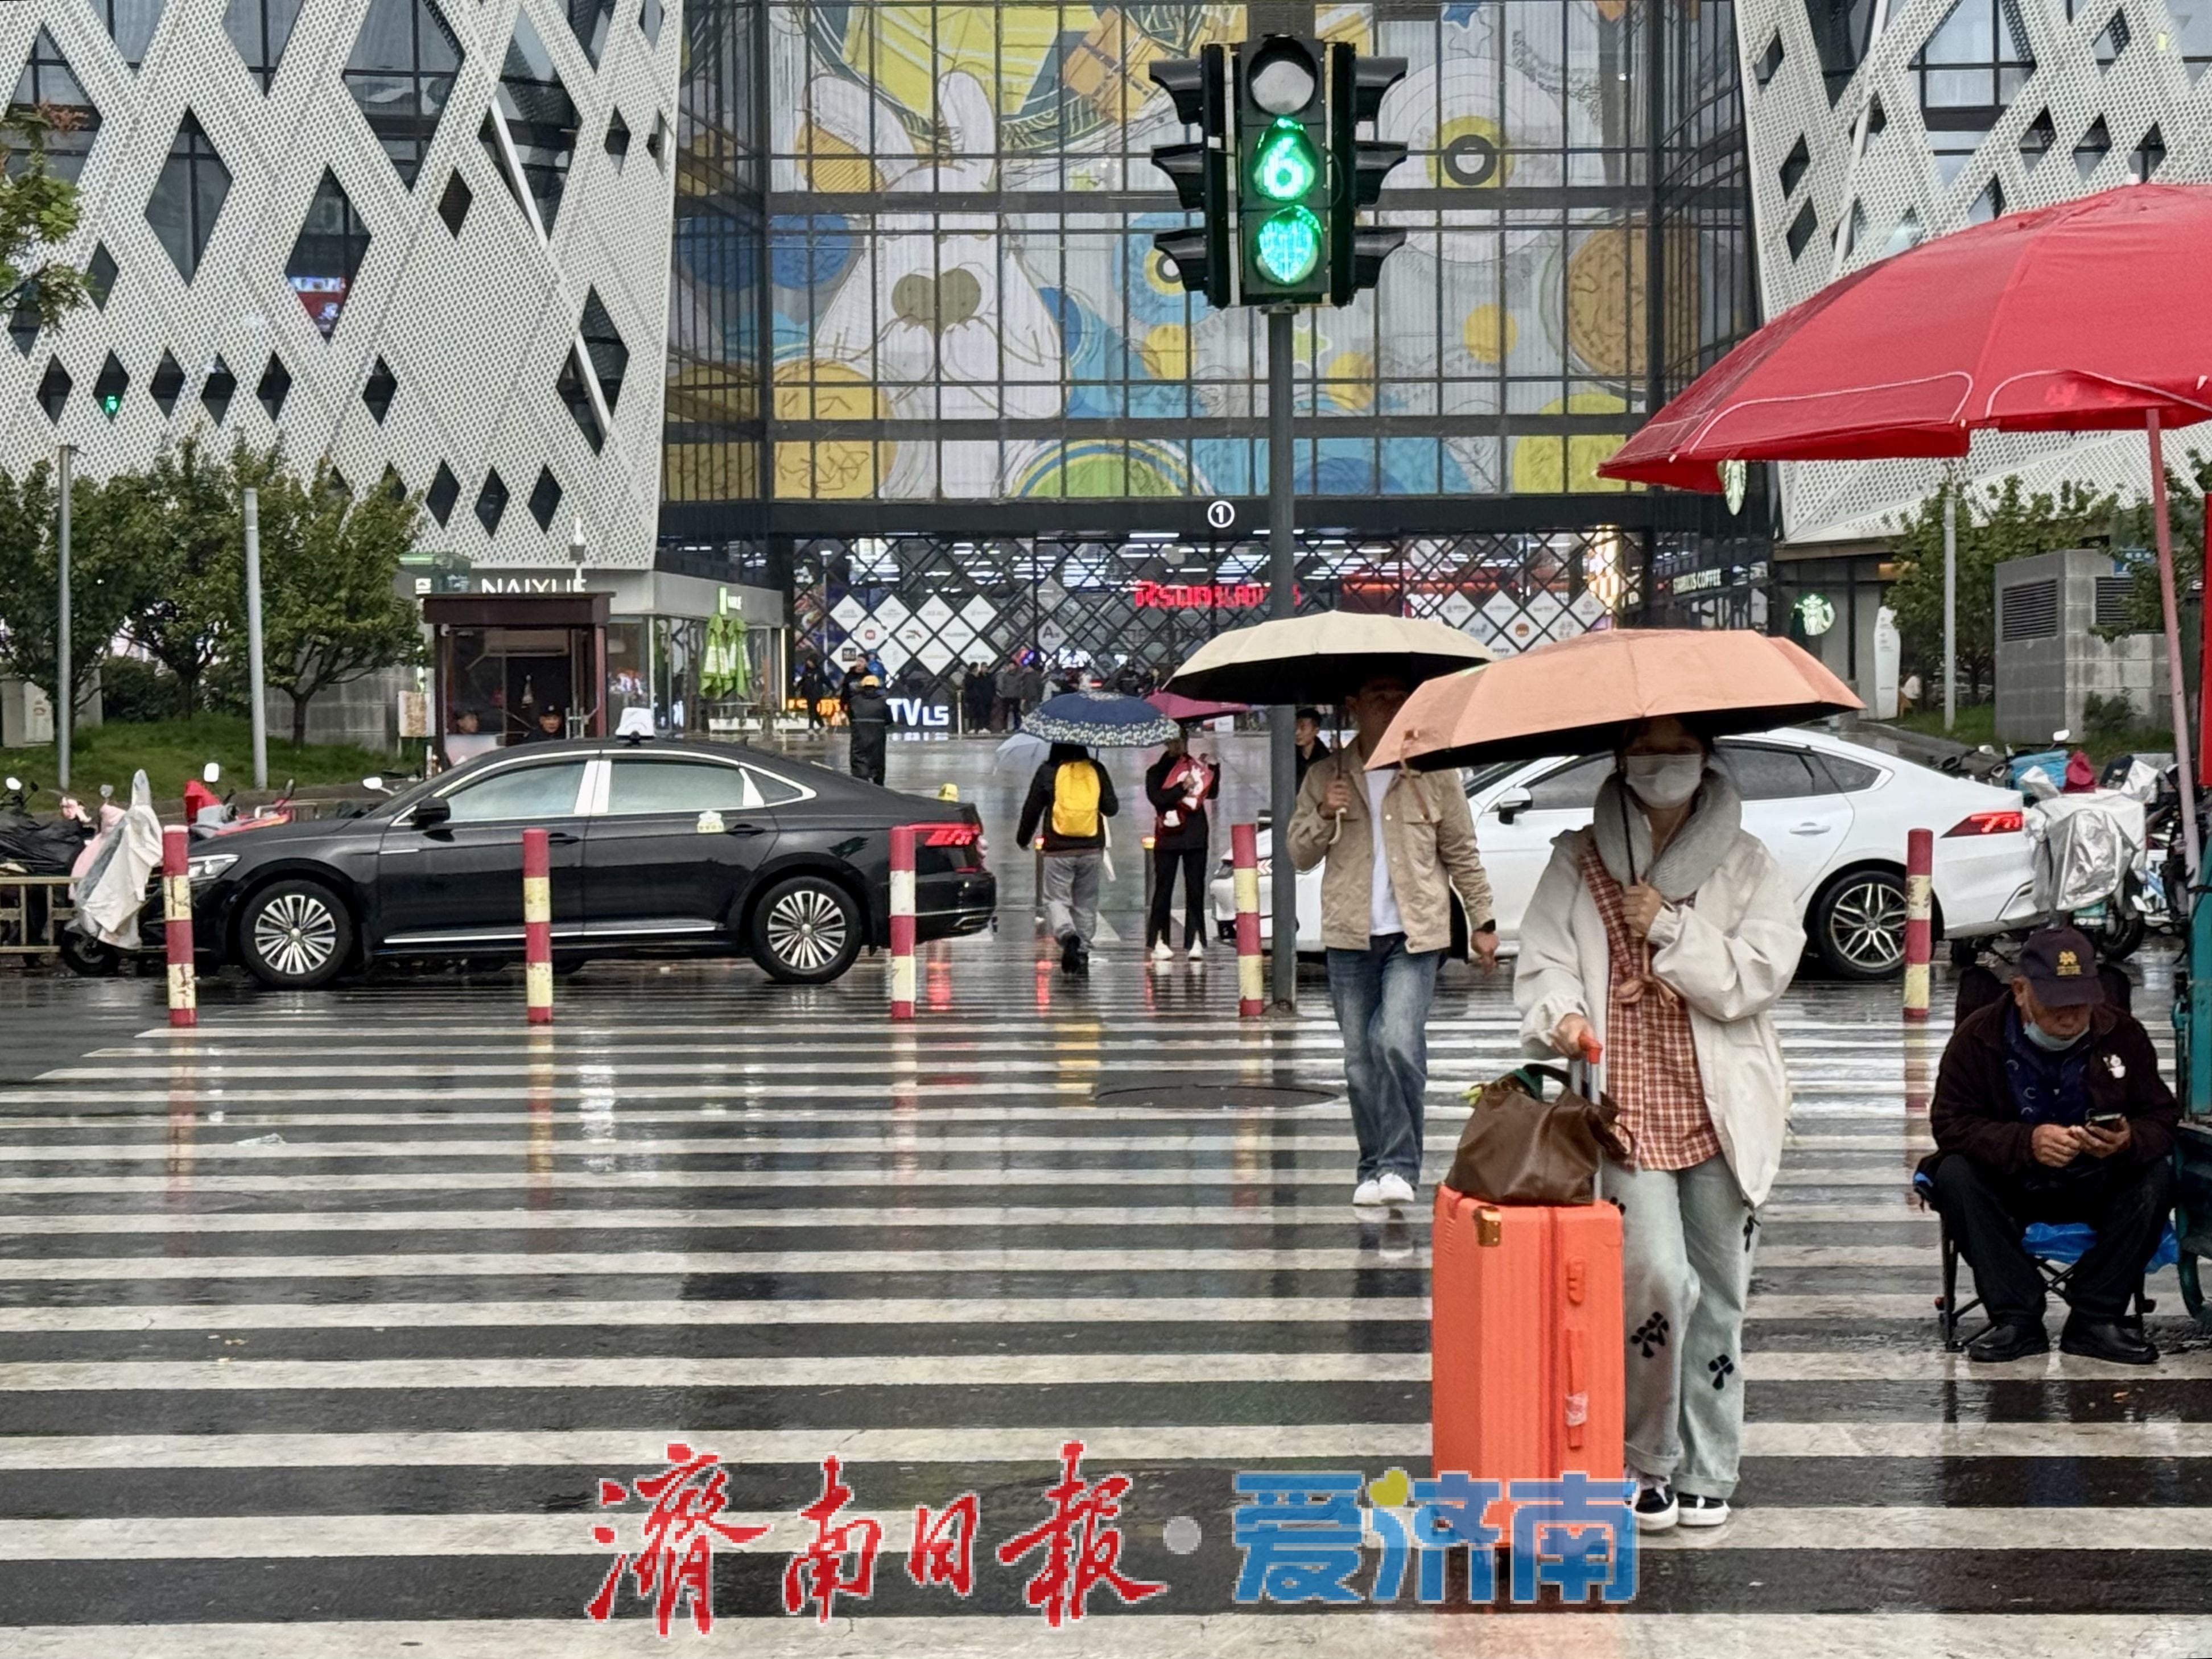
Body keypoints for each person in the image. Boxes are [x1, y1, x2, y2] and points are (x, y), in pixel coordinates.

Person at [1514, 715, 1802, 1536]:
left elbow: (1760, 975)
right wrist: (1565, 1021)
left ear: (1708, 758)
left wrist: (1670, 929)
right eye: (1646, 750)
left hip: (1723, 1108)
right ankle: (1647, 1458)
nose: (1662, 765)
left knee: (1720, 1299)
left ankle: (1710, 1464)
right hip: (1622, 1108)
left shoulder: (1746, 864)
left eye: (1679, 749)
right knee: (1654, 1284)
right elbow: (1544, 962)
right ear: (1619, 759)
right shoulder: (1577, 858)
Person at [1922, 925, 2177, 1367]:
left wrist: (2126, 1139)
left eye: (2082, 1001)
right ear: (2021, 991)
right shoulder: (1977, 1036)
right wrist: (2026, 1143)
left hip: (2096, 1180)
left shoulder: (2122, 1033)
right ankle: (2016, 1317)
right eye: (2058, 1002)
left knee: (2158, 1174)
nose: (2071, 1015)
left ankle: (2096, 1317)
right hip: (2011, 1184)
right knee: (1955, 1174)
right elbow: (1950, 1123)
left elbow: (2161, 1117)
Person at [1286, 675, 1496, 1210]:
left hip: (1416, 932)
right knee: (1360, 1061)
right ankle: (1372, 1165)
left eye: (1400, 697)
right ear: (1353, 705)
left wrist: (1482, 919)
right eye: (1379, 696)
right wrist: (1323, 813)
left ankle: (1400, 1165)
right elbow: (1297, 854)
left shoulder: (1434, 773)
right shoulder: (1324, 776)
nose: (1392, 706)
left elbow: (1461, 851)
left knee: (1396, 1041)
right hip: (1350, 936)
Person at [1016, 741, 1118, 973]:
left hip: (1058, 848)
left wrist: (1023, 839)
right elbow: (1112, 808)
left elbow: (1032, 809)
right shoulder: (1096, 768)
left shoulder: (1048, 770)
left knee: (1056, 899)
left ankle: (1067, 934)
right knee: (1086, 902)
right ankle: (1082, 951)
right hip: (1091, 848)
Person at [1144, 725, 1219, 963]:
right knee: (1163, 889)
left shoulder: (1196, 767)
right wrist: (1181, 787)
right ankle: (1159, 939)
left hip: (1195, 836)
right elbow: (1158, 799)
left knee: (1195, 890)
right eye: (1173, 741)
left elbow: (1212, 792)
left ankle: (1195, 939)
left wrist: (1214, 769)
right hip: (1167, 836)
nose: (1178, 746)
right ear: (1166, 743)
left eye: (1181, 741)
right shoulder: (1155, 771)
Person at [847, 674, 891, 785]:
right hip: (877, 738)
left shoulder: (854, 701)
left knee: (859, 762)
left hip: (859, 738)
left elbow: (850, 717)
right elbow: (889, 720)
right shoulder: (882, 702)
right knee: (878, 763)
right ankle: (878, 783)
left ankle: (860, 785)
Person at [1294, 707, 1331, 789]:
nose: (1297, 732)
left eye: (1303, 728)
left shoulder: (1325, 760)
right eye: (1295, 727)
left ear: (1316, 731)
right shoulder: (1289, 756)